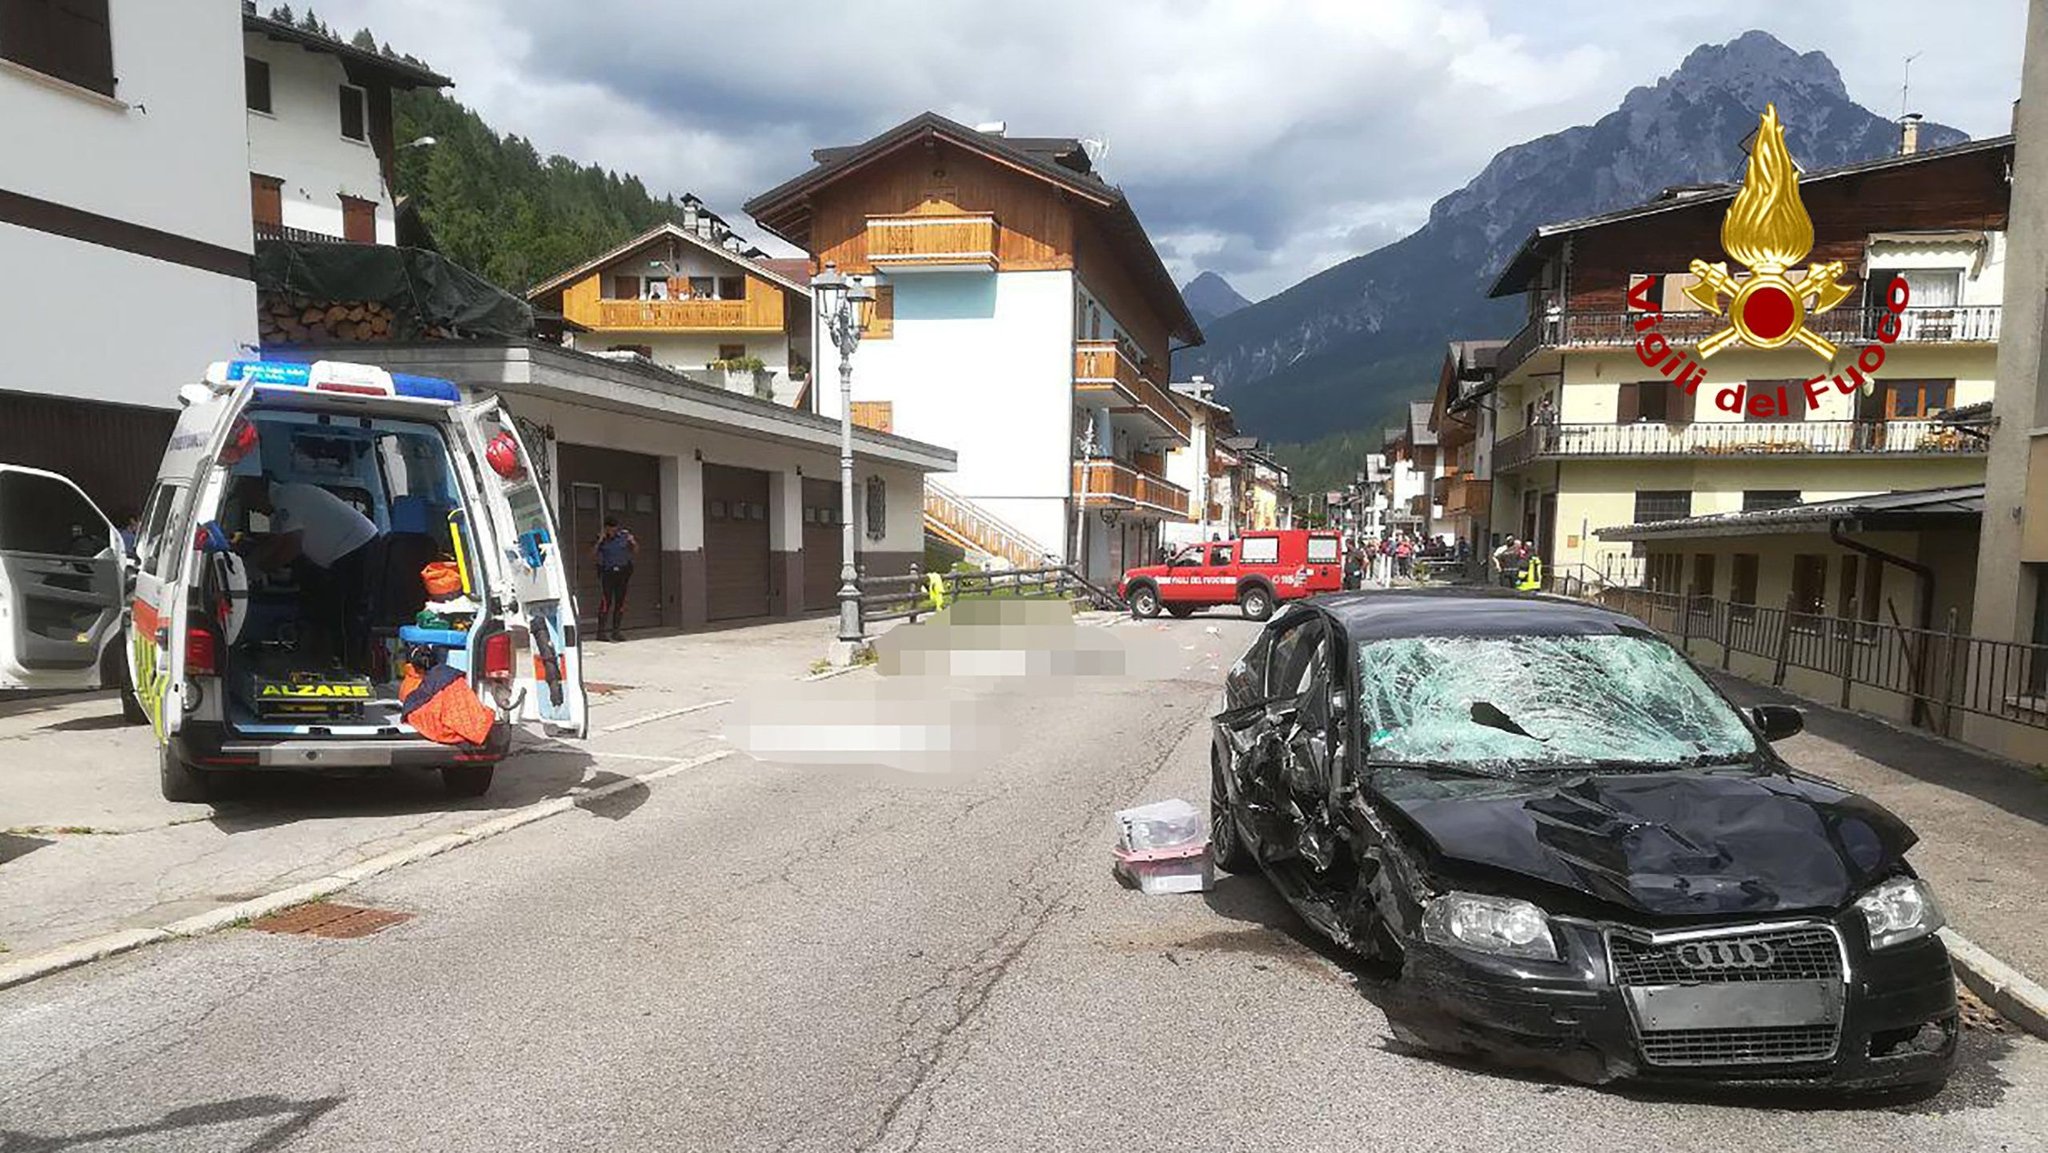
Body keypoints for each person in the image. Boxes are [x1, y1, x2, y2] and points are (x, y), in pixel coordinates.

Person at [235, 476, 378, 668]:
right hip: (344, 552)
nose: (251, 508)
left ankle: (352, 667)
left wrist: (254, 571)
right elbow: (276, 542)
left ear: (256, 491)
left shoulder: (288, 497)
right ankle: (327, 659)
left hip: (356, 547)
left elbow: (290, 547)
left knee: (347, 615)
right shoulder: (281, 510)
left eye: (248, 500)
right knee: (327, 610)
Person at [592, 516, 639, 642]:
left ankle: (616, 632)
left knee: (620, 602)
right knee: (606, 603)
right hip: (607, 574)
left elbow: (635, 551)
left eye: (614, 528)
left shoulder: (624, 537)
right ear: (606, 528)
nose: (612, 531)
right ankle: (600, 633)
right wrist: (599, 541)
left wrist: (632, 541)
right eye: (609, 529)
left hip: (623, 573)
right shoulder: (601, 539)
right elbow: (592, 554)